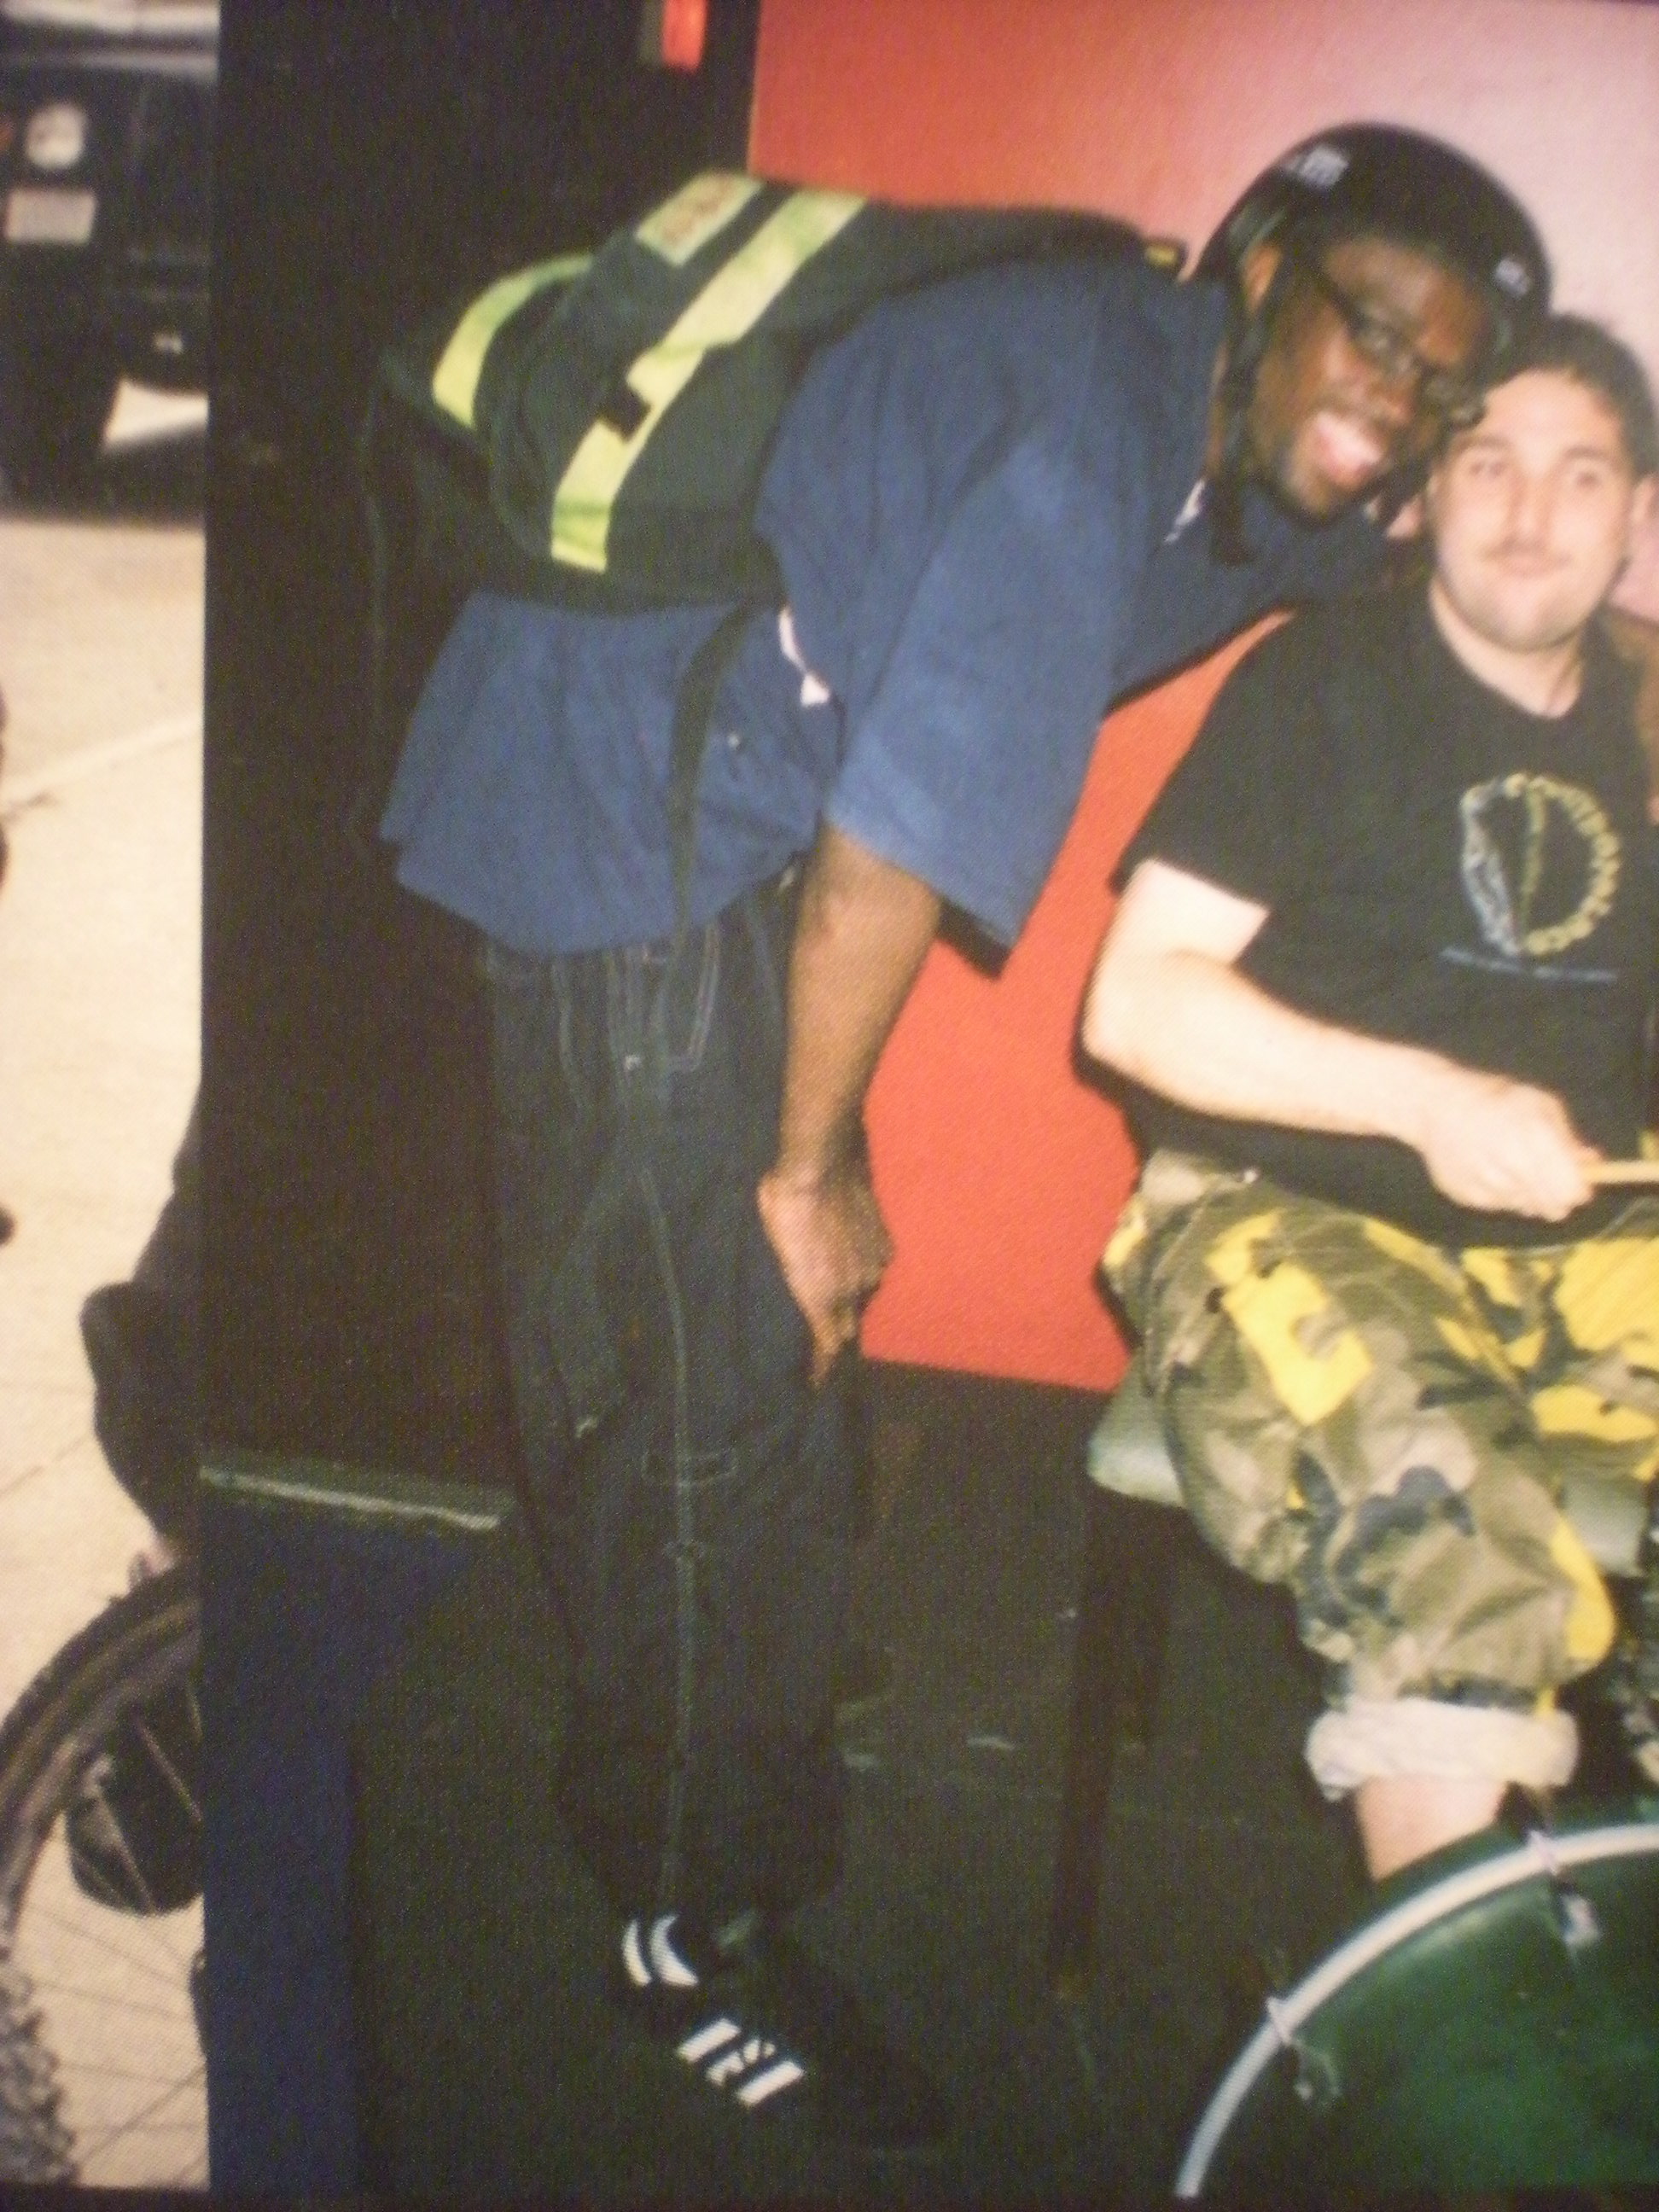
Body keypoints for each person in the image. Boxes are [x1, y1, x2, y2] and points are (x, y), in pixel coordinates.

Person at [380, 125, 1560, 2140]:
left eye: (1443, 387)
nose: (1399, 408)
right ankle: (685, 1926)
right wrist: (808, 1172)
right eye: (1376, 336)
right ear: (1261, 271)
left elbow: (1351, 548)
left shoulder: (1246, 447)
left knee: (737, 1355)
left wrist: (1585, 625)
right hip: (616, 800)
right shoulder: (1089, 438)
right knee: (704, 1383)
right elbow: (889, 860)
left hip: (720, 766)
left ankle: (729, 1650)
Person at [1083, 313, 1659, 1884]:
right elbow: (1136, 1004)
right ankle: (1463, 2023)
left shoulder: (1650, 717)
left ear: (1637, 514)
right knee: (1453, 1541)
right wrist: (1430, 1100)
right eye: (1488, 464)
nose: (1529, 514)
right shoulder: (1324, 680)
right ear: (1427, 492)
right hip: (1287, 1216)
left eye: (1579, 474)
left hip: (1585, 1240)